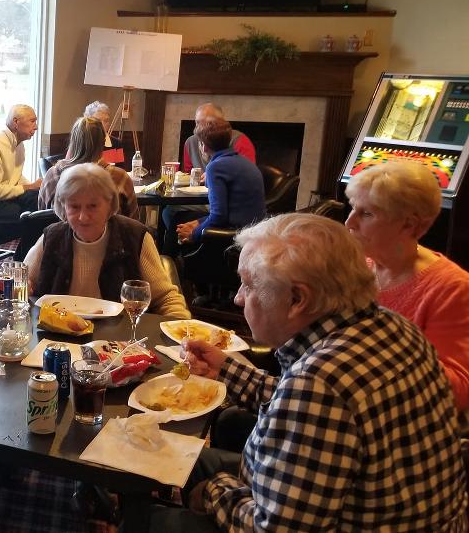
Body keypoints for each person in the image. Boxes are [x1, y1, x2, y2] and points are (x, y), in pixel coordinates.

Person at [151, 213, 468, 531]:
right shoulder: (391, 325)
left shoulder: (318, 383)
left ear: (296, 299)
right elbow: (308, 406)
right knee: (183, 457)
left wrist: (213, 492)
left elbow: (277, 529)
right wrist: (226, 369)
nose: (237, 298)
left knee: (153, 520)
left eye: (248, 285)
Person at [345, 161, 469, 422]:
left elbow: (456, 391)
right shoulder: (359, 266)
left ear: (410, 225)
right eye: (353, 209)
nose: (349, 222)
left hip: (399, 427)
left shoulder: (451, 287)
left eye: (366, 214)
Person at [25, 163, 189, 317]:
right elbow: (21, 280)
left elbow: (166, 299)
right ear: (63, 206)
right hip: (58, 340)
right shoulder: (53, 237)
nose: (83, 217)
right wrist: (25, 288)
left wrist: (182, 335)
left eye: (93, 206)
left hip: (117, 340)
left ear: (110, 205)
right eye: (74, 207)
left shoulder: (134, 236)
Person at [172, 118, 265, 249]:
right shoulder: (245, 162)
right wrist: (198, 222)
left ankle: (169, 264)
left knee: (177, 224)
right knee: (188, 223)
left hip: (234, 235)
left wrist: (194, 233)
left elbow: (219, 217)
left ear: (203, 146)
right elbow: (228, 211)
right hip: (255, 231)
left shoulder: (215, 168)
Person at [38, 116, 138, 219]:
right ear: (103, 142)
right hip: (112, 235)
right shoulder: (120, 177)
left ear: (72, 141)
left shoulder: (52, 175)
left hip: (58, 235)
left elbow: (41, 217)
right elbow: (133, 221)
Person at [181, 102, 255, 173]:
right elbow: (187, 174)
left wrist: (215, 175)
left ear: (221, 123)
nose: (200, 128)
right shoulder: (190, 142)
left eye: (208, 123)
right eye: (198, 123)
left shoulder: (240, 141)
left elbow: (247, 172)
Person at [82, 100, 126, 165]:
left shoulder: (117, 143)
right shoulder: (80, 141)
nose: (102, 125)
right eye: (98, 120)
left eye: (106, 120)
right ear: (88, 122)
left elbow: (121, 168)